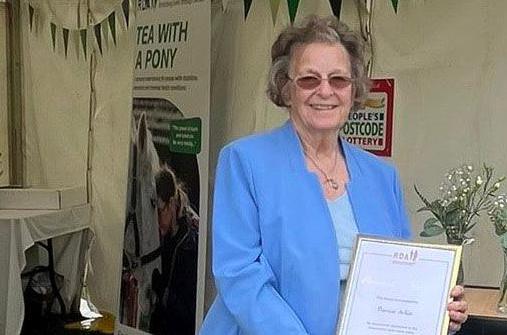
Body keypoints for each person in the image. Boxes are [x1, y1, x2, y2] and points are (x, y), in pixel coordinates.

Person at [200, 15, 468, 334]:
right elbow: (240, 275)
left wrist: (435, 313)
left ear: (353, 90)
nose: (325, 91)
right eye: (309, 79)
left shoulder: (383, 178)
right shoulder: (244, 161)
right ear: (286, 89)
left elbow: (401, 277)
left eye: (338, 80)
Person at [150, 165, 200, 335]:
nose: (156, 220)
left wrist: (164, 293)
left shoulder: (190, 245)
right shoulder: (163, 236)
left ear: (171, 203)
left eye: (160, 212)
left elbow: (191, 311)